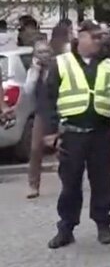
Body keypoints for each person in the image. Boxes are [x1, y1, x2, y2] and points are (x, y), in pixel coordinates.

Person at [41, 20, 110, 249]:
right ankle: (66, 228)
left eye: (101, 37)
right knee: (70, 184)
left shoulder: (108, 64)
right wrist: (50, 131)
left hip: (100, 133)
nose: (99, 41)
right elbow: (48, 100)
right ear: (80, 37)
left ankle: (103, 224)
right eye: (94, 37)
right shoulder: (61, 63)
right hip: (72, 134)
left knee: (103, 182)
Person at [25, 39, 54, 199]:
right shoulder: (34, 71)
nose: (43, 55)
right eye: (40, 52)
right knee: (35, 149)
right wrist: (35, 70)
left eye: (46, 51)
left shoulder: (56, 67)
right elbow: (28, 90)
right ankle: (33, 185)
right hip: (41, 112)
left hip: (58, 111)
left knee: (65, 149)